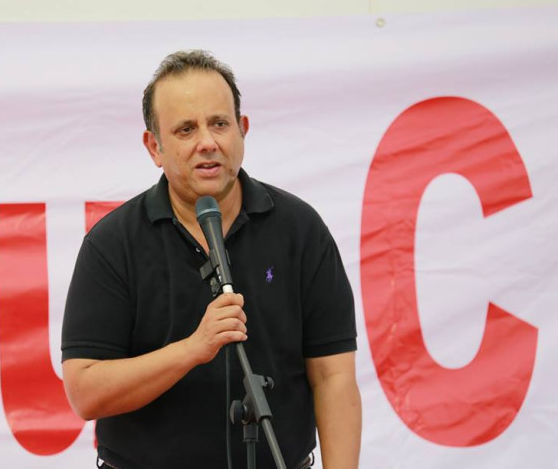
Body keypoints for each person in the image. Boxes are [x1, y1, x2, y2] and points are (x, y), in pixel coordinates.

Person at [61, 50, 361, 469]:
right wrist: (192, 349)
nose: (207, 142)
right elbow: (85, 391)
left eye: (219, 123)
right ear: (155, 147)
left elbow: (334, 377)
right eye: (185, 129)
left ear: (243, 129)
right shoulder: (113, 245)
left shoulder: (299, 230)